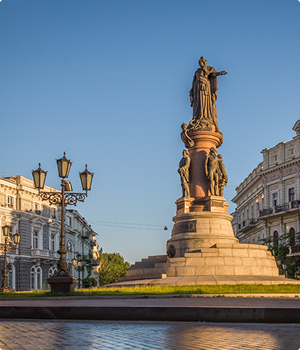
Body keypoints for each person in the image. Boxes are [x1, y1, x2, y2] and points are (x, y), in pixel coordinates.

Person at [189, 57, 227, 133]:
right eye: (199, 63)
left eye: (202, 62)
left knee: (204, 102)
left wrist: (219, 73)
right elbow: (194, 81)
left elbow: (213, 74)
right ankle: (198, 117)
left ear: (204, 63)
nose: (200, 64)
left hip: (205, 87)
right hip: (197, 88)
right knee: (198, 103)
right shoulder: (197, 71)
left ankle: (205, 117)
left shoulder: (208, 69)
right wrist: (192, 91)